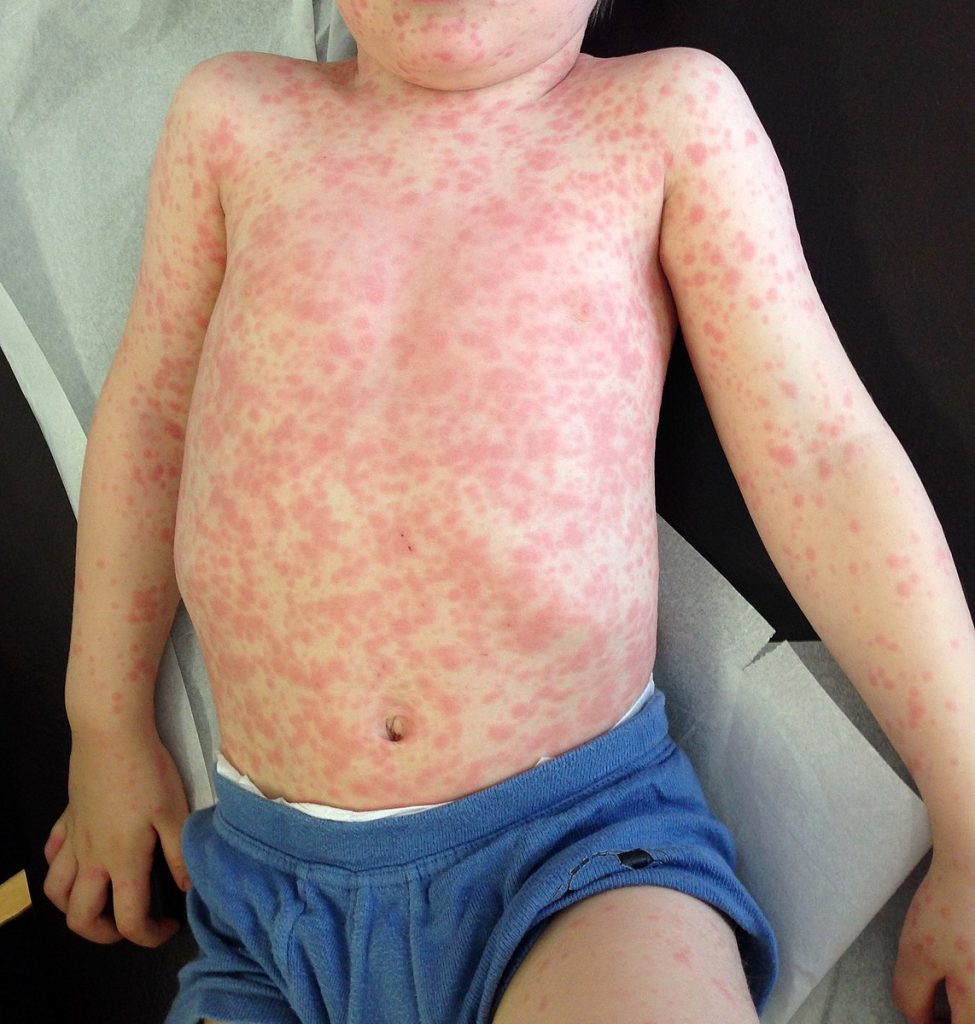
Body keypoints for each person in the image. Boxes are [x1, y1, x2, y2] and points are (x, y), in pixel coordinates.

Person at [41, 0, 975, 1021]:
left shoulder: (662, 119)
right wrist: (105, 724)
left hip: (580, 858)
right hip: (270, 906)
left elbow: (821, 455)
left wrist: (968, 809)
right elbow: (151, 420)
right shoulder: (234, 119)